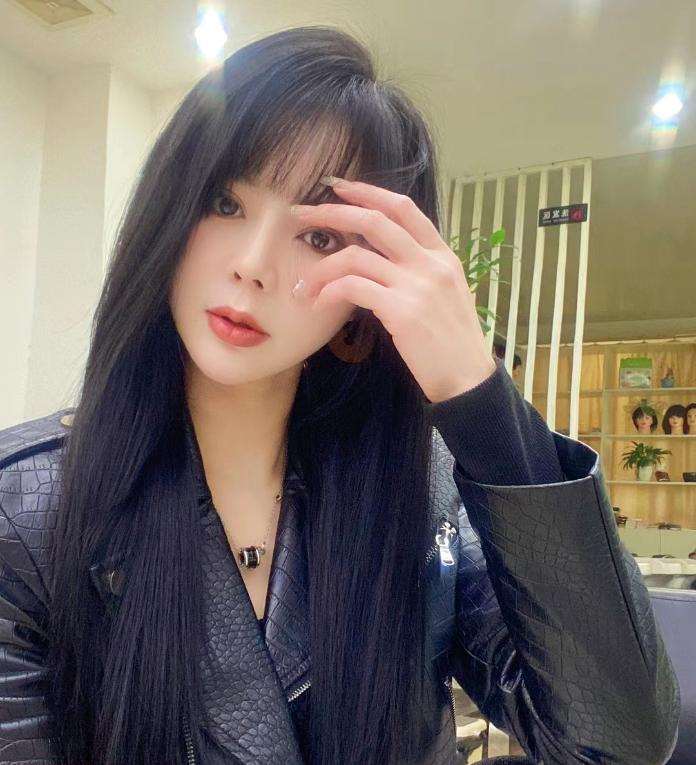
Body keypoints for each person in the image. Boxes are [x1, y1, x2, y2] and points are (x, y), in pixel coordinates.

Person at [0, 26, 679, 765]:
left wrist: (476, 395)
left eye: (319, 236)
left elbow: (615, 741)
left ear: (366, 293)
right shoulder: (27, 510)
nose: (253, 265)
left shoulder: (422, 497)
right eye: (225, 202)